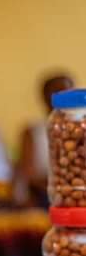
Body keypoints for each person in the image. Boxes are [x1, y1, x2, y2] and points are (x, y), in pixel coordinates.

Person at [15, 73, 74, 206]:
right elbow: (28, 174)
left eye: (68, 92)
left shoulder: (80, 128)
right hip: (45, 193)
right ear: (45, 97)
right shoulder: (32, 131)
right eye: (57, 92)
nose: (64, 97)